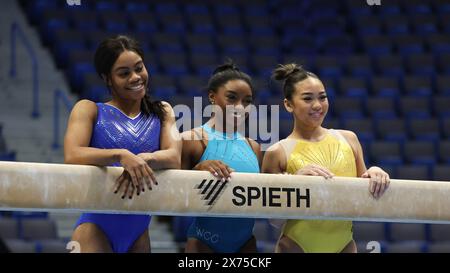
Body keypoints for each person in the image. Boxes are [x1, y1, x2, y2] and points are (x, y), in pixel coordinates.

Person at [64, 35, 181, 253]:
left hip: (139, 233)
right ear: (107, 78)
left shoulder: (162, 112)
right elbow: (72, 154)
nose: (136, 77)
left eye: (139, 68)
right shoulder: (89, 109)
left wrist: (143, 159)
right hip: (95, 230)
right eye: (124, 73)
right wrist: (120, 155)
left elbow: (174, 157)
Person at [262, 63, 390, 253]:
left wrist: (375, 172)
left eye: (322, 97)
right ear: (288, 104)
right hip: (296, 246)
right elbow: (271, 217)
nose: (317, 105)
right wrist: (293, 182)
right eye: (307, 99)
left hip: (344, 245)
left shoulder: (349, 139)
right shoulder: (277, 152)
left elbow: (365, 194)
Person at [181, 61, 262, 253]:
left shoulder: (254, 147)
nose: (240, 107)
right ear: (212, 97)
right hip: (203, 243)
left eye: (247, 101)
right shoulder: (192, 140)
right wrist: (196, 171)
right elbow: (171, 198)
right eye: (232, 98)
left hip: (246, 244)